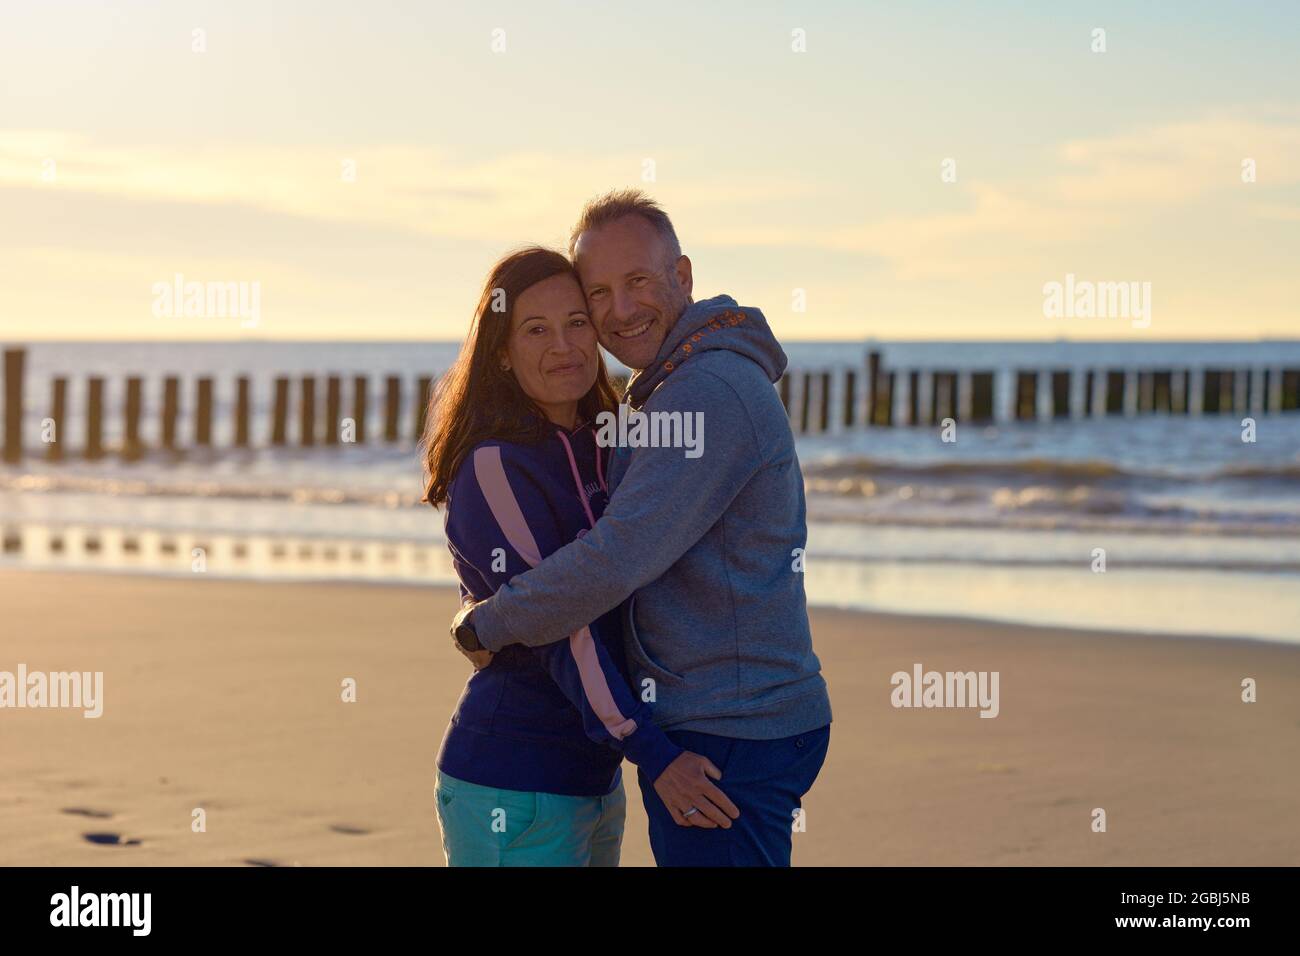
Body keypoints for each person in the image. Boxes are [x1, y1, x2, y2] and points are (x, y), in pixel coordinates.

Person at [451, 191, 832, 866]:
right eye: (598, 292)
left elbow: (617, 558)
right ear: (503, 353)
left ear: (682, 277)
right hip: (698, 728)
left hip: (728, 727)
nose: (619, 311)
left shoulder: (703, 392)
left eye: (637, 282)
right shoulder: (658, 397)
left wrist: (490, 621)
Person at [421, 246, 721, 866]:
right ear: (501, 352)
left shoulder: (603, 447)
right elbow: (559, 622)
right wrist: (655, 754)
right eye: (536, 329)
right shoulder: (495, 465)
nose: (564, 345)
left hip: (593, 780)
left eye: (576, 322)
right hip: (515, 780)